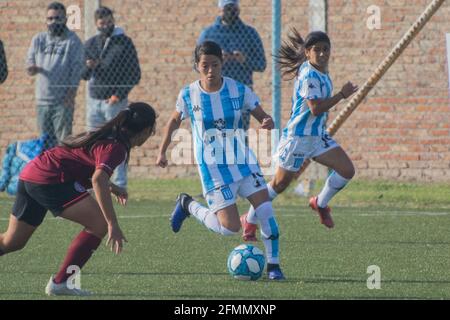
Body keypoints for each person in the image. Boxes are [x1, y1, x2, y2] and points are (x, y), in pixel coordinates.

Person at [156, 41, 284, 280]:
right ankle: (187, 205)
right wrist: (162, 150)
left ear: (222, 64)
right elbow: (174, 121)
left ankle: (274, 266)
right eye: (205, 65)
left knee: (266, 209)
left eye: (215, 64)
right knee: (229, 229)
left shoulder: (238, 89)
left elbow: (261, 115)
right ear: (197, 66)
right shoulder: (188, 94)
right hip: (213, 169)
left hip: (243, 161)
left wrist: (267, 121)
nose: (211, 70)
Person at [0, 102, 157, 296]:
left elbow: (83, 164)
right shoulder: (117, 147)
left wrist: (112, 187)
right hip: (51, 180)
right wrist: (112, 224)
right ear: (147, 130)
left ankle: (61, 283)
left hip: (33, 172)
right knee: (99, 224)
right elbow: (97, 178)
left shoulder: (109, 134)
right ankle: (60, 283)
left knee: (12, 241)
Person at [242, 29, 358, 241]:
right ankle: (249, 220)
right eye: (317, 50)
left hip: (317, 138)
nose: (322, 54)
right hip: (297, 140)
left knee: (346, 170)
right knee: (278, 185)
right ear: (307, 53)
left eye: (326, 49)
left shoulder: (321, 72)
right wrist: (341, 95)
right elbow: (315, 109)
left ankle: (319, 203)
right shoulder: (308, 76)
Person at [81, 6, 141, 191]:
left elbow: (134, 74)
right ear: (96, 24)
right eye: (101, 23)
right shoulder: (91, 43)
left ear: (112, 21)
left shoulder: (123, 42)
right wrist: (89, 66)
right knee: (93, 142)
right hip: (94, 100)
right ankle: (92, 182)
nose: (105, 25)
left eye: (108, 22)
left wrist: (118, 94)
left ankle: (120, 183)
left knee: (118, 141)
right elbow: (83, 75)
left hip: (114, 101)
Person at [197, 0, 266, 131]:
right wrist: (216, 61)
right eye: (226, 8)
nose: (230, 12)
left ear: (238, 9)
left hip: (240, 91)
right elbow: (196, 65)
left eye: (233, 8)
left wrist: (244, 60)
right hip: (214, 92)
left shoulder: (249, 33)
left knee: (240, 133)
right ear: (220, 10)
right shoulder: (209, 34)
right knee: (214, 133)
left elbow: (262, 64)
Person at [26, 2, 84, 149]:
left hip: (62, 101)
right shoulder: (38, 39)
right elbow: (29, 64)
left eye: (57, 18)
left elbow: (76, 70)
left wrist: (71, 95)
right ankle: (47, 172)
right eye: (50, 18)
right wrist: (32, 69)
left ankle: (64, 171)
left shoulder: (72, 41)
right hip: (42, 101)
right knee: (44, 142)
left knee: (64, 143)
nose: (53, 22)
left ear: (65, 19)